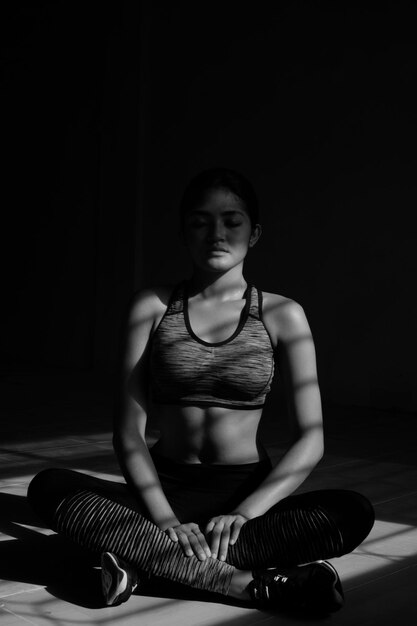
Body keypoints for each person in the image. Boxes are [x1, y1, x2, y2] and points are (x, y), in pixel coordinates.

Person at [27, 168, 374, 615]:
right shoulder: (151, 306)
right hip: (161, 489)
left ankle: (142, 565)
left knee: (353, 511)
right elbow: (129, 432)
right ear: (183, 231)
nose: (216, 233)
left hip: (244, 498)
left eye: (232, 221)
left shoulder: (283, 314)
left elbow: (312, 440)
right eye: (200, 221)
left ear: (255, 233)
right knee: (50, 488)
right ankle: (243, 583)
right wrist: (165, 518)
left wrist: (246, 513)